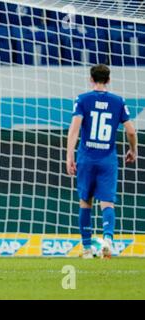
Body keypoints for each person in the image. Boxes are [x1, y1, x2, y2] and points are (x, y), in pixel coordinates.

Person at [66, 64, 137, 259]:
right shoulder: (118, 101)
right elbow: (131, 130)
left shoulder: (83, 100)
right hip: (108, 159)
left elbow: (74, 129)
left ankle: (87, 249)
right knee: (107, 203)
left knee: (85, 202)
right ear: (108, 80)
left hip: (87, 158)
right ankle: (108, 240)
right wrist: (133, 149)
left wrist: (69, 155)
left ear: (91, 79)